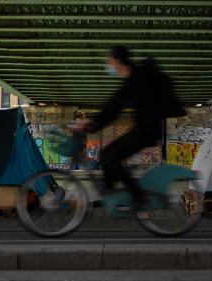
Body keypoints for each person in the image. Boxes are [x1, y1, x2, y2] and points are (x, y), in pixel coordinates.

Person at [78, 46, 185, 209]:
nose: (107, 64)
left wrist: (92, 124)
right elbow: (114, 107)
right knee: (106, 154)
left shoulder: (137, 79)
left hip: (147, 130)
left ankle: (139, 197)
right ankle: (110, 196)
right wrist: (93, 125)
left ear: (118, 60)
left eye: (109, 60)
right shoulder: (133, 79)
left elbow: (113, 107)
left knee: (111, 157)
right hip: (144, 128)